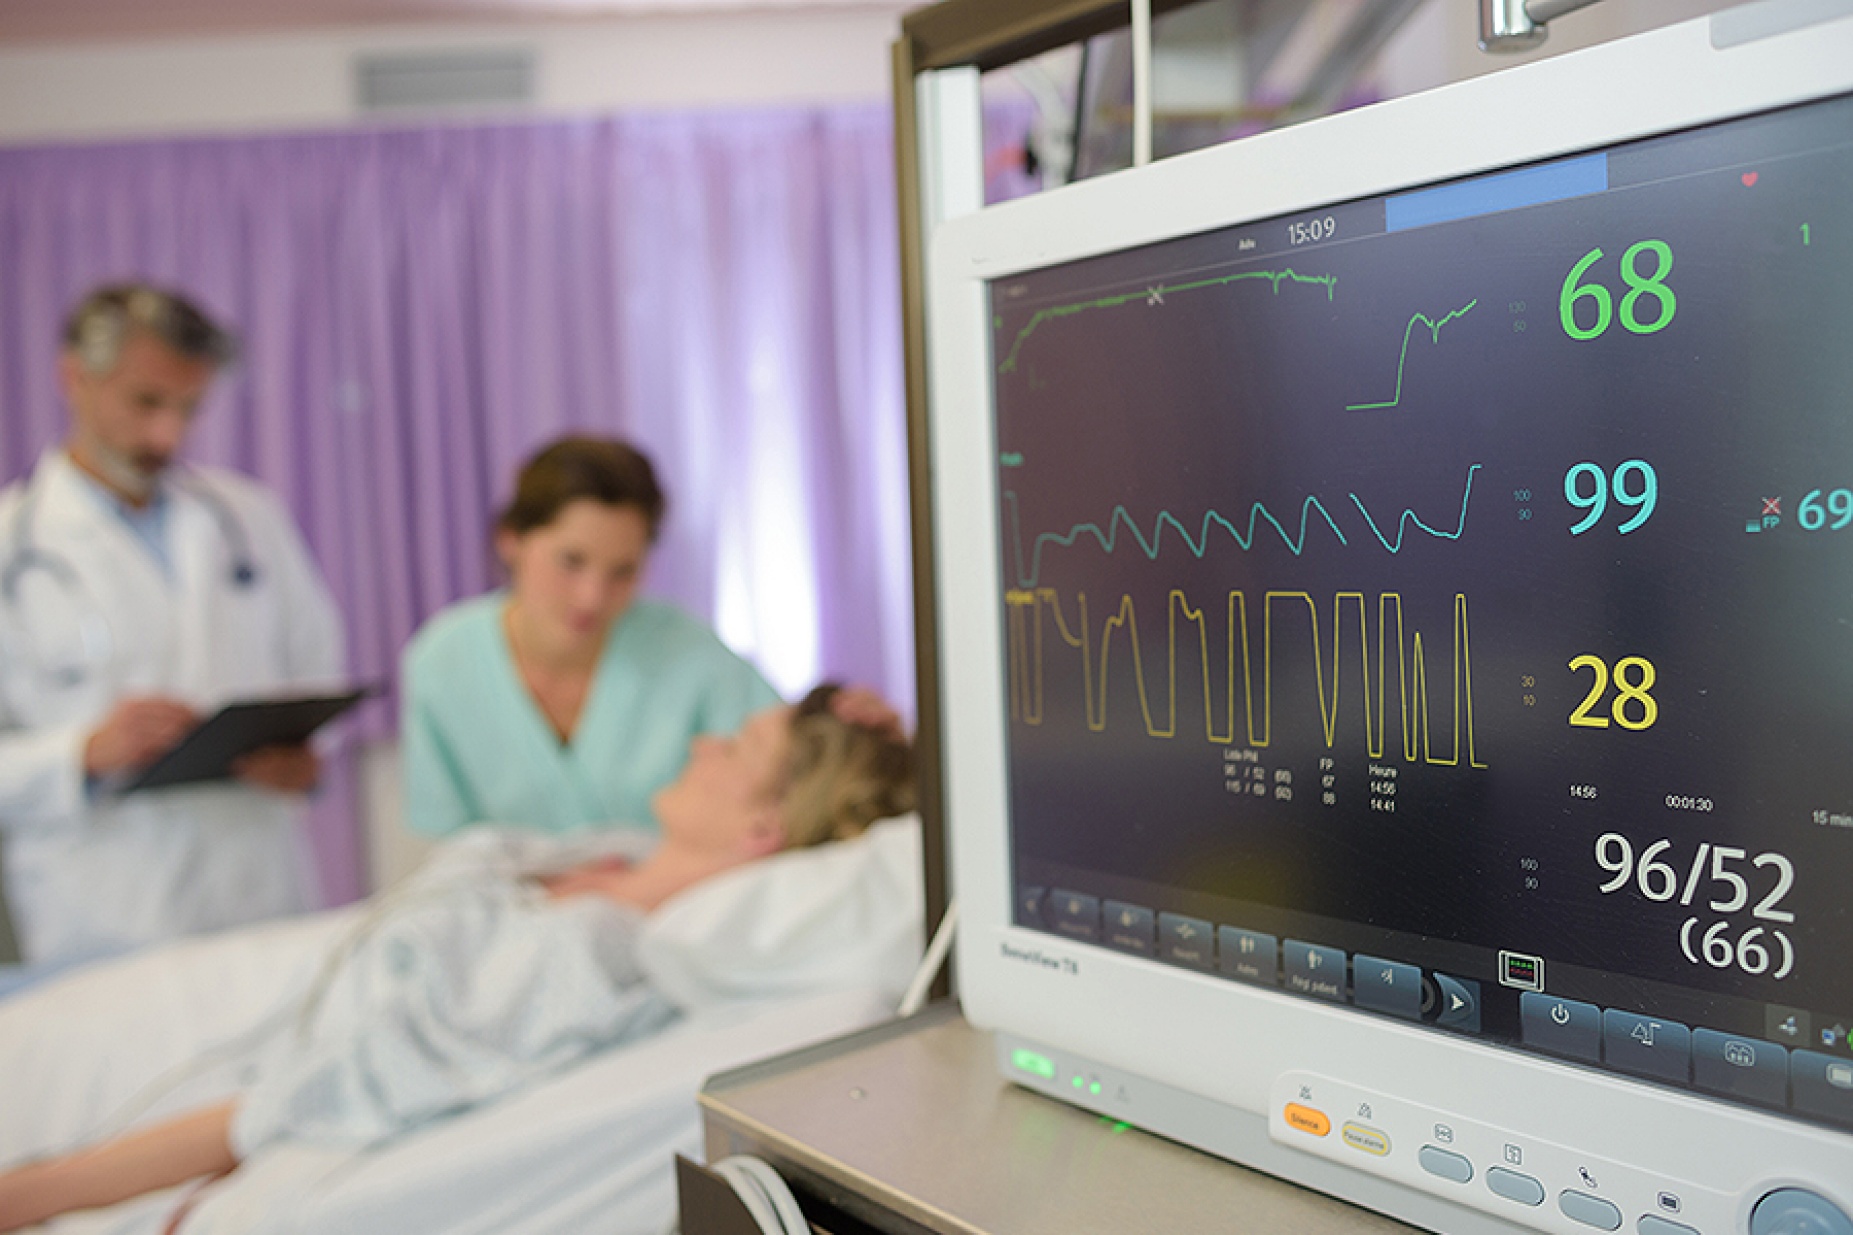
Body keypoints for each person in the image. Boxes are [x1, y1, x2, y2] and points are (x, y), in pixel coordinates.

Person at [0, 685, 915, 1231]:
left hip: (226, 1121)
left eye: (736, 747)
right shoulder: (605, 852)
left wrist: (37, 1193)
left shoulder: (595, 954)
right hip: (237, 1030)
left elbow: (305, 1101)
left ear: (763, 826)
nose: (700, 742)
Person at [0, 284, 345, 966]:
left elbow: (316, 669)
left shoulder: (248, 518)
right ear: (74, 377)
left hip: (256, 889)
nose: (169, 434)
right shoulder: (14, 546)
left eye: (189, 407)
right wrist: (82, 751)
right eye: (147, 402)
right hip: (106, 913)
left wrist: (302, 760)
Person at [400, 435, 780, 836]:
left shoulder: (690, 655)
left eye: (623, 571)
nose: (592, 598)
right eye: (571, 561)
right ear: (511, 541)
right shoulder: (442, 663)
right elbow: (441, 839)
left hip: (677, 897)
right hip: (508, 898)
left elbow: (796, 760)